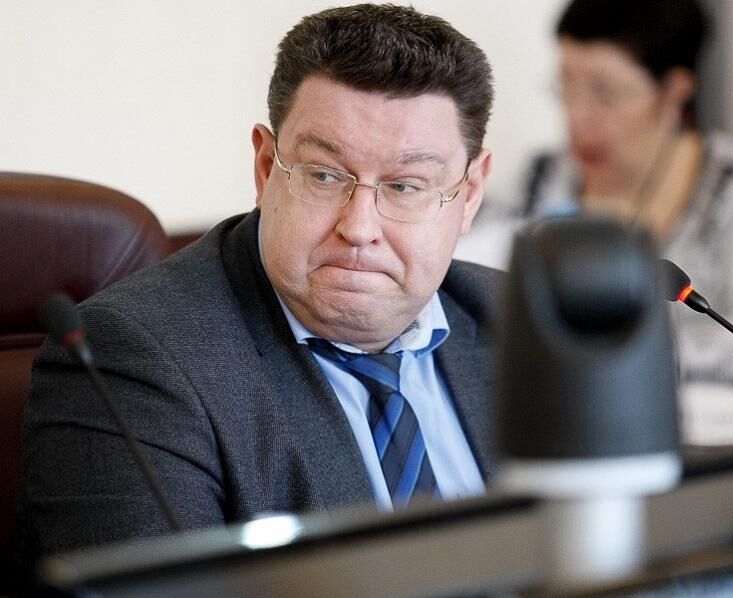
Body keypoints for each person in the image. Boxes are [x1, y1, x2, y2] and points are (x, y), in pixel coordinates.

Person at [18, 4, 496, 559]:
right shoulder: (132, 361)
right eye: (324, 175)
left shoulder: (530, 322)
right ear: (267, 168)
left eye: (405, 186)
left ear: (469, 194)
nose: (359, 228)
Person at [493, 0, 733, 384]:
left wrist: (605, 358)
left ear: (674, 92)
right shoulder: (534, 182)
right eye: (567, 86)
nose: (577, 116)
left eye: (605, 93)